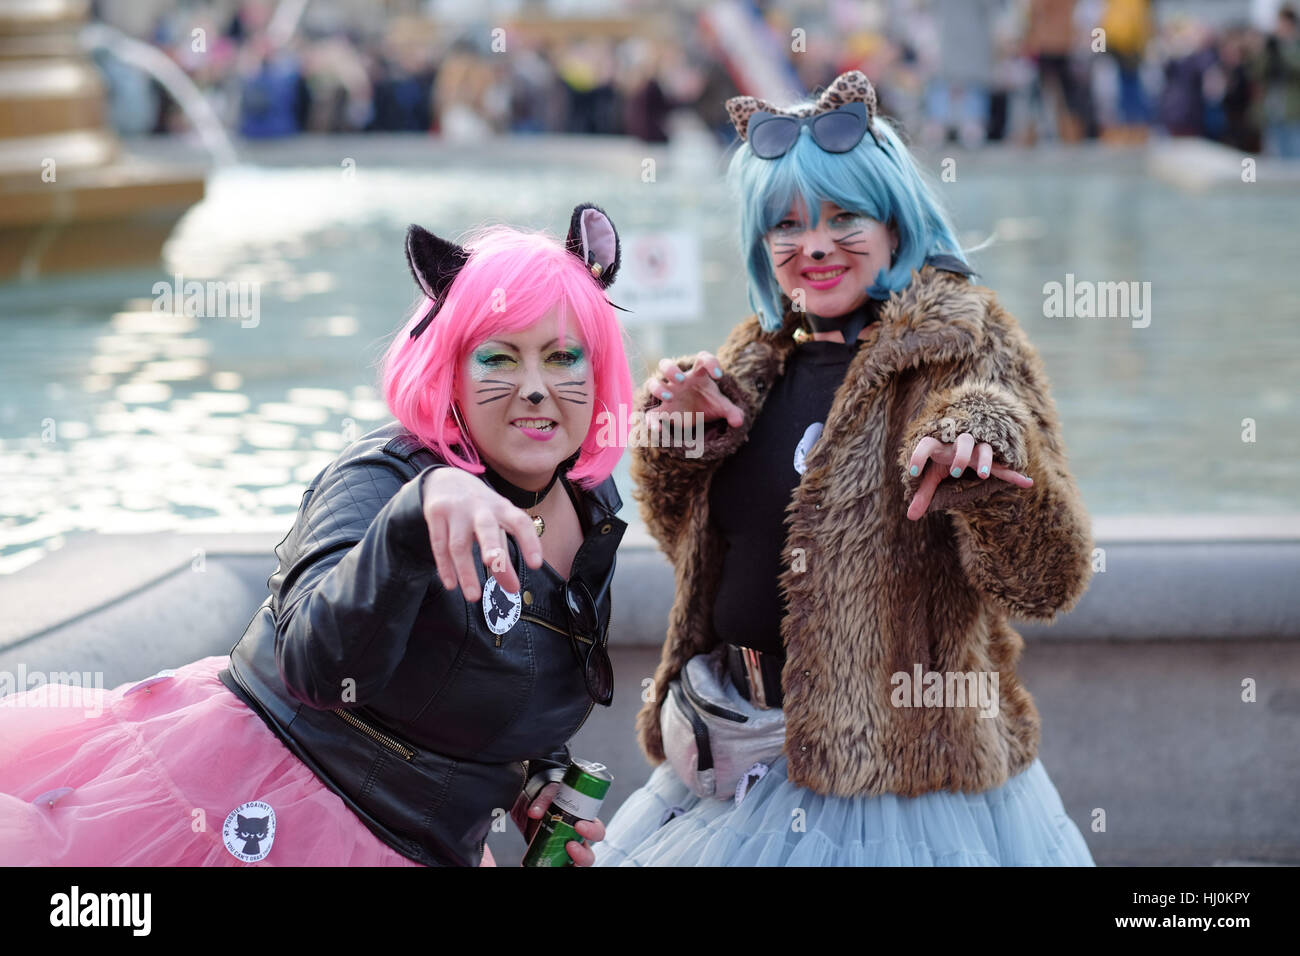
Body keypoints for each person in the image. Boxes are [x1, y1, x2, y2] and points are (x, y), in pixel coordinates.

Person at [0, 204, 635, 867]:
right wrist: (412, 519)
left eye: (564, 357)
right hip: (271, 813)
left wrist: (532, 781)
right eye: (499, 358)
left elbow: (513, 667)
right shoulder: (382, 476)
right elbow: (314, 667)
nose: (536, 389)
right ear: (450, 371)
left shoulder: (591, 507)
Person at [593, 71, 1095, 866]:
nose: (815, 244)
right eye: (786, 224)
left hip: (900, 787)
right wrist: (677, 438)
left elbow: (1049, 581)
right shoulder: (753, 358)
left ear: (895, 224)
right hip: (737, 757)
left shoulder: (966, 347)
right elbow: (696, 548)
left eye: (844, 216)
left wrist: (989, 464)